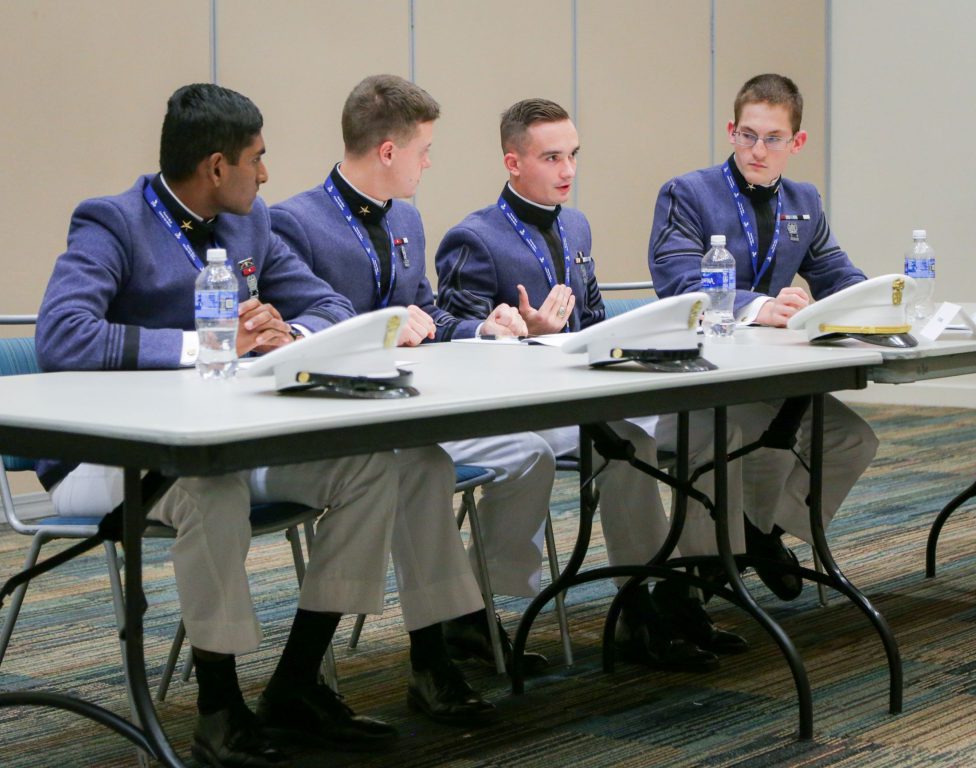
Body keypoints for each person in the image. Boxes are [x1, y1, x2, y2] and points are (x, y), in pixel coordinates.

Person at [38, 83, 414, 767]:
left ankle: (295, 686)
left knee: (371, 466)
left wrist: (284, 332)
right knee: (212, 491)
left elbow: (329, 305)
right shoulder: (112, 222)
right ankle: (219, 712)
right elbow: (62, 336)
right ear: (217, 167)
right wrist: (210, 346)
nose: (266, 174)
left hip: (220, 444)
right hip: (104, 460)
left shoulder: (252, 224)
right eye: (257, 158)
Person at [435, 98, 747, 673]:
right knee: (625, 441)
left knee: (679, 430)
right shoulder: (473, 237)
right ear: (512, 162)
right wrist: (513, 333)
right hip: (514, 412)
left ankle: (652, 598)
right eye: (551, 157)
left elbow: (597, 319)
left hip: (580, 397)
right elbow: (450, 336)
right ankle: (481, 613)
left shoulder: (576, 224)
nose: (567, 170)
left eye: (573, 155)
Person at [269, 74, 552, 684]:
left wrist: (482, 327)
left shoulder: (408, 221)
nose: (429, 163)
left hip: (412, 407)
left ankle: (469, 614)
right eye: (424, 151)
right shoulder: (292, 223)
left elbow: (428, 310)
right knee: (417, 467)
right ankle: (439, 647)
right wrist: (380, 330)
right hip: (336, 424)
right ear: (390, 152)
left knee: (528, 453)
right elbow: (294, 335)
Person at [648, 73, 879, 596]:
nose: (758, 149)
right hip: (705, 377)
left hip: (768, 373)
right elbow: (678, 280)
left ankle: (761, 532)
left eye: (773, 138)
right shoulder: (688, 193)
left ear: (795, 143)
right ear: (731, 131)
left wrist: (860, 303)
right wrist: (761, 305)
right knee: (733, 437)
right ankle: (703, 571)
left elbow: (837, 272)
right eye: (747, 135)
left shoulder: (805, 200)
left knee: (852, 440)